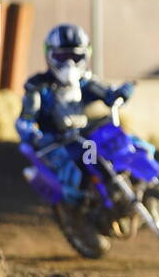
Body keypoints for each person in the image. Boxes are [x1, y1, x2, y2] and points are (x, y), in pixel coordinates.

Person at [17, 24, 136, 203]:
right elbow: (25, 120)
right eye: (62, 56)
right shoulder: (38, 87)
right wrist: (35, 136)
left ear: (85, 55)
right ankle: (83, 206)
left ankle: (131, 184)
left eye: (75, 56)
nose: (69, 63)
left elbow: (109, 95)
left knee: (125, 144)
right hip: (55, 143)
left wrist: (123, 91)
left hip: (82, 137)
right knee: (72, 178)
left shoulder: (84, 82)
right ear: (50, 55)